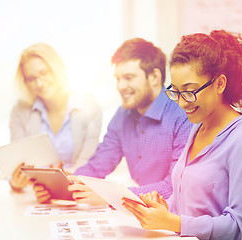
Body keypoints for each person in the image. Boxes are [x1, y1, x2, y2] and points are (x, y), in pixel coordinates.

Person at [122, 30, 242, 240]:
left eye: (190, 91)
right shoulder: (197, 128)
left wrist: (172, 222)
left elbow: (238, 227)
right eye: (175, 91)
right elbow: (188, 200)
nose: (182, 103)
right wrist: (166, 208)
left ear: (220, 84)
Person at [34, 38, 192, 204]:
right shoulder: (123, 115)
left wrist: (111, 196)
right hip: (146, 213)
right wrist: (63, 185)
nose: (120, 86)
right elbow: (99, 164)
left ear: (154, 77)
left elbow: (175, 186)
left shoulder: (183, 115)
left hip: (177, 214)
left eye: (128, 77)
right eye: (117, 79)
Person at [9, 43, 102, 191]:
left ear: (56, 69)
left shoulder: (90, 106)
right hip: (35, 194)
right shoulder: (20, 110)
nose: (39, 83)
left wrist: (65, 179)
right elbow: (16, 162)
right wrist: (15, 183)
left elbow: (88, 161)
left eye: (44, 73)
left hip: (77, 190)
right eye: (31, 78)